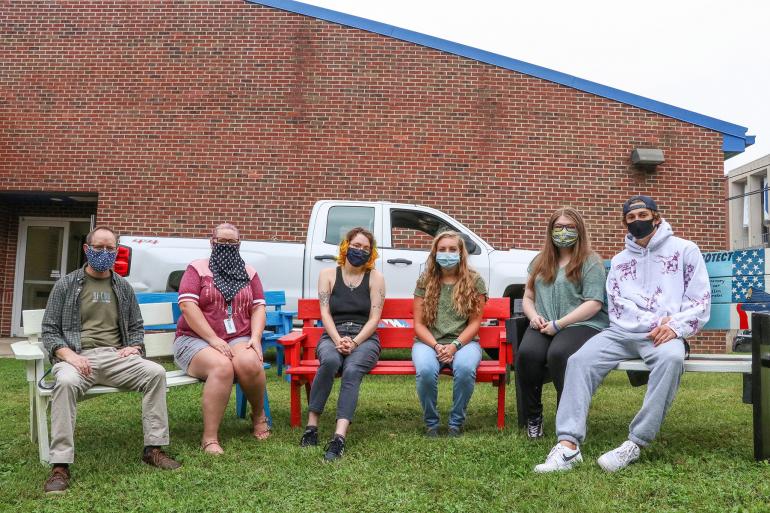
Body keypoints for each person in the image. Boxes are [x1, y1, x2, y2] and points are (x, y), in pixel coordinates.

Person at [535, 195, 711, 473]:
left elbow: (700, 300)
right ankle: (568, 446)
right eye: (631, 218)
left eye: (643, 215)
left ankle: (635, 443)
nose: (638, 221)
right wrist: (654, 320)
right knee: (579, 361)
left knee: (671, 361)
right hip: (622, 333)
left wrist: (674, 326)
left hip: (663, 335)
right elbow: (617, 305)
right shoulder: (619, 261)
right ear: (625, 223)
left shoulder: (685, 250)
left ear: (656, 216)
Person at [41, 226, 180, 494]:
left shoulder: (122, 286)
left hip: (116, 358)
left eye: (110, 248)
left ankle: (153, 448)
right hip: (77, 358)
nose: (104, 253)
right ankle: (60, 465)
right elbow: (49, 331)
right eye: (99, 247)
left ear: (116, 251)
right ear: (87, 249)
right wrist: (70, 355)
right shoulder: (66, 285)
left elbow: (137, 326)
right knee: (66, 383)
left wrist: (136, 347)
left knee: (155, 373)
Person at [174, 223, 268, 455]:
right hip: (194, 339)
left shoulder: (249, 272)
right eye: (222, 242)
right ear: (212, 242)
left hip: (238, 336)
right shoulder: (197, 269)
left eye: (231, 243)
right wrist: (213, 340)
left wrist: (255, 338)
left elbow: (258, 308)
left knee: (249, 362)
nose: (226, 246)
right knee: (222, 366)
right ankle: (210, 437)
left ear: (239, 244)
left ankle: (258, 415)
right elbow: (187, 305)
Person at [517, 207, 609, 438]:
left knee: (559, 355)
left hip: (581, 324)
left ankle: (566, 417)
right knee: (527, 354)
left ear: (579, 230)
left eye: (570, 227)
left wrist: (560, 324)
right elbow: (528, 297)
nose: (564, 232)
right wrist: (533, 316)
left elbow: (594, 303)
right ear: (550, 231)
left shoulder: (590, 262)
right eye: (559, 227)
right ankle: (533, 416)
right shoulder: (539, 261)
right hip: (543, 323)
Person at [298, 227, 385, 462]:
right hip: (333, 335)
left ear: (372, 253)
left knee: (353, 369)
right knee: (329, 361)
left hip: (364, 338)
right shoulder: (327, 274)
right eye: (356, 246)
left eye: (366, 248)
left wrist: (354, 342)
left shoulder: (375, 277)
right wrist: (338, 340)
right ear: (346, 246)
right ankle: (312, 427)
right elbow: (324, 313)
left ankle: (339, 437)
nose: (360, 251)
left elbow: (375, 318)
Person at [412, 231, 487, 437]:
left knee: (464, 369)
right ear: (434, 252)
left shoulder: (474, 281)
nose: (447, 253)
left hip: (464, 342)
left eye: (452, 249)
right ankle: (431, 423)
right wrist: (437, 346)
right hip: (428, 342)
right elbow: (418, 324)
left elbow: (474, 323)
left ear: (461, 253)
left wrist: (454, 346)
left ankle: (456, 422)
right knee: (426, 370)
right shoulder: (425, 280)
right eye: (442, 249)